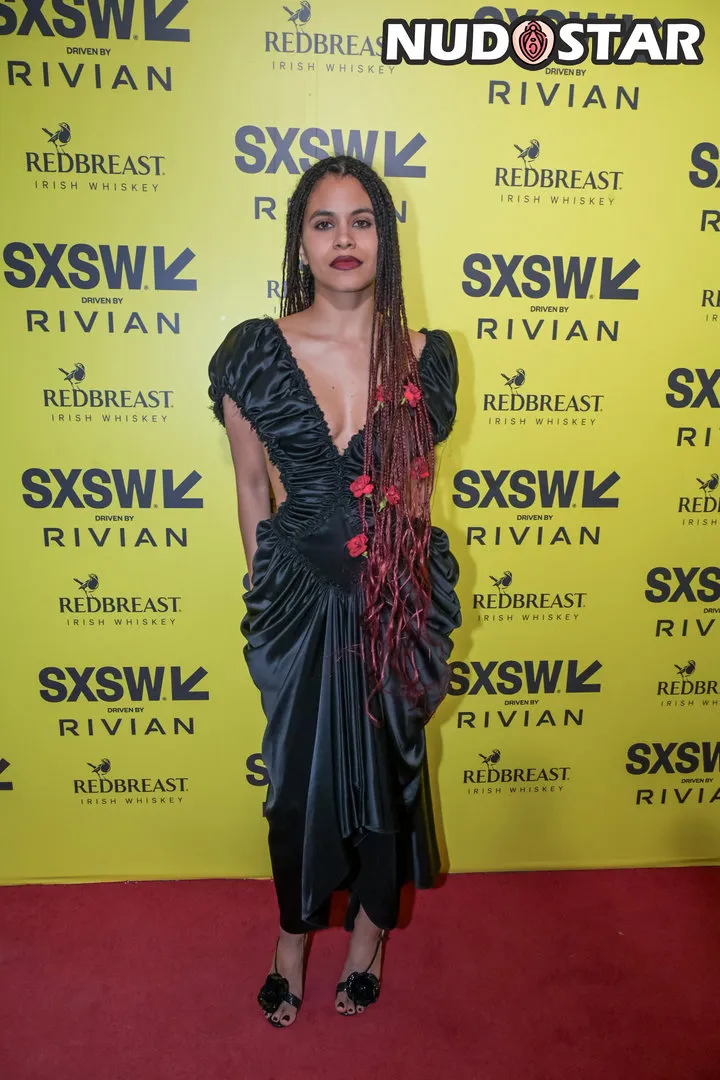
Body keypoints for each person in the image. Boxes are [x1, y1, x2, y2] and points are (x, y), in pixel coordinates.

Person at [208, 155, 461, 1027]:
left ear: (385, 238)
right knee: (297, 789)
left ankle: (369, 937)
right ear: (301, 241)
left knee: (390, 776)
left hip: (394, 600)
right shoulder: (254, 352)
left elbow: (413, 490)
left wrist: (404, 596)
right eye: (324, 222)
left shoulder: (427, 358)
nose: (344, 239)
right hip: (300, 604)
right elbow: (251, 487)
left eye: (362, 221)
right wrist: (265, 599)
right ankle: (291, 940)